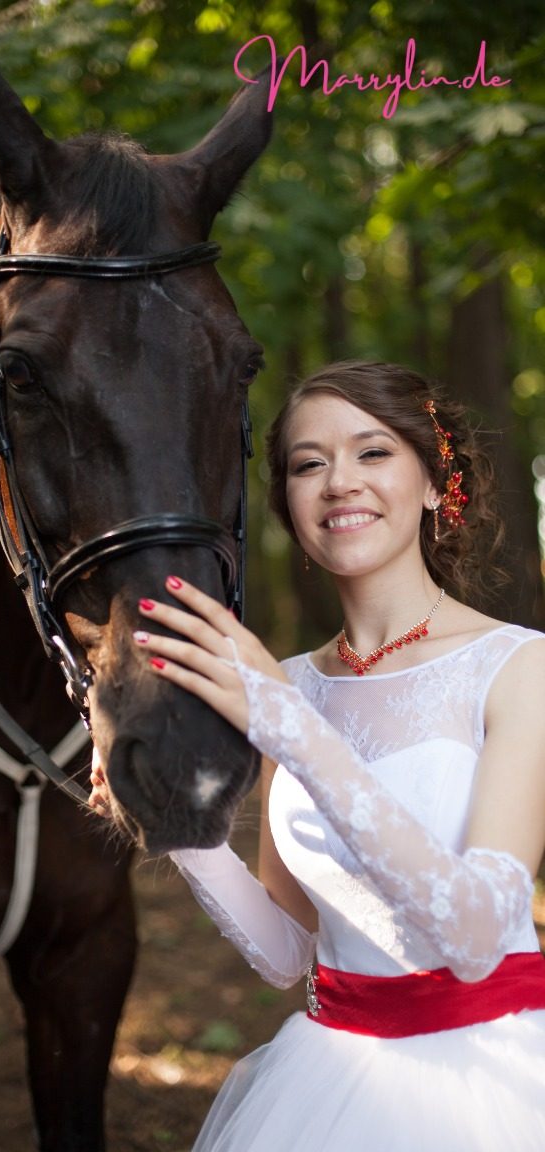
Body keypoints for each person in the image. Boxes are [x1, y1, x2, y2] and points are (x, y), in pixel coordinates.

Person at [90, 360, 545, 1151]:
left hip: (489, 1081)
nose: (339, 481)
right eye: (308, 464)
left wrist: (290, 727)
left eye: (373, 453)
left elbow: (476, 936)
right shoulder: (288, 682)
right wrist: (178, 829)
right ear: (288, 510)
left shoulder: (519, 667)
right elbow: (288, 949)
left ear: (436, 484)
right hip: (328, 1082)